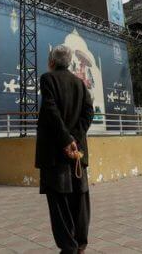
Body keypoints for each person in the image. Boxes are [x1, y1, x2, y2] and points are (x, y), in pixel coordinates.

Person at [35, 45, 95, 254]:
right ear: (69, 62)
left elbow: (50, 110)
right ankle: (80, 245)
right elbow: (89, 112)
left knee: (59, 202)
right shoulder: (80, 83)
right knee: (80, 198)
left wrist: (66, 140)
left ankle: (68, 247)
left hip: (56, 153)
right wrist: (75, 140)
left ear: (51, 62)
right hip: (77, 153)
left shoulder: (47, 79)